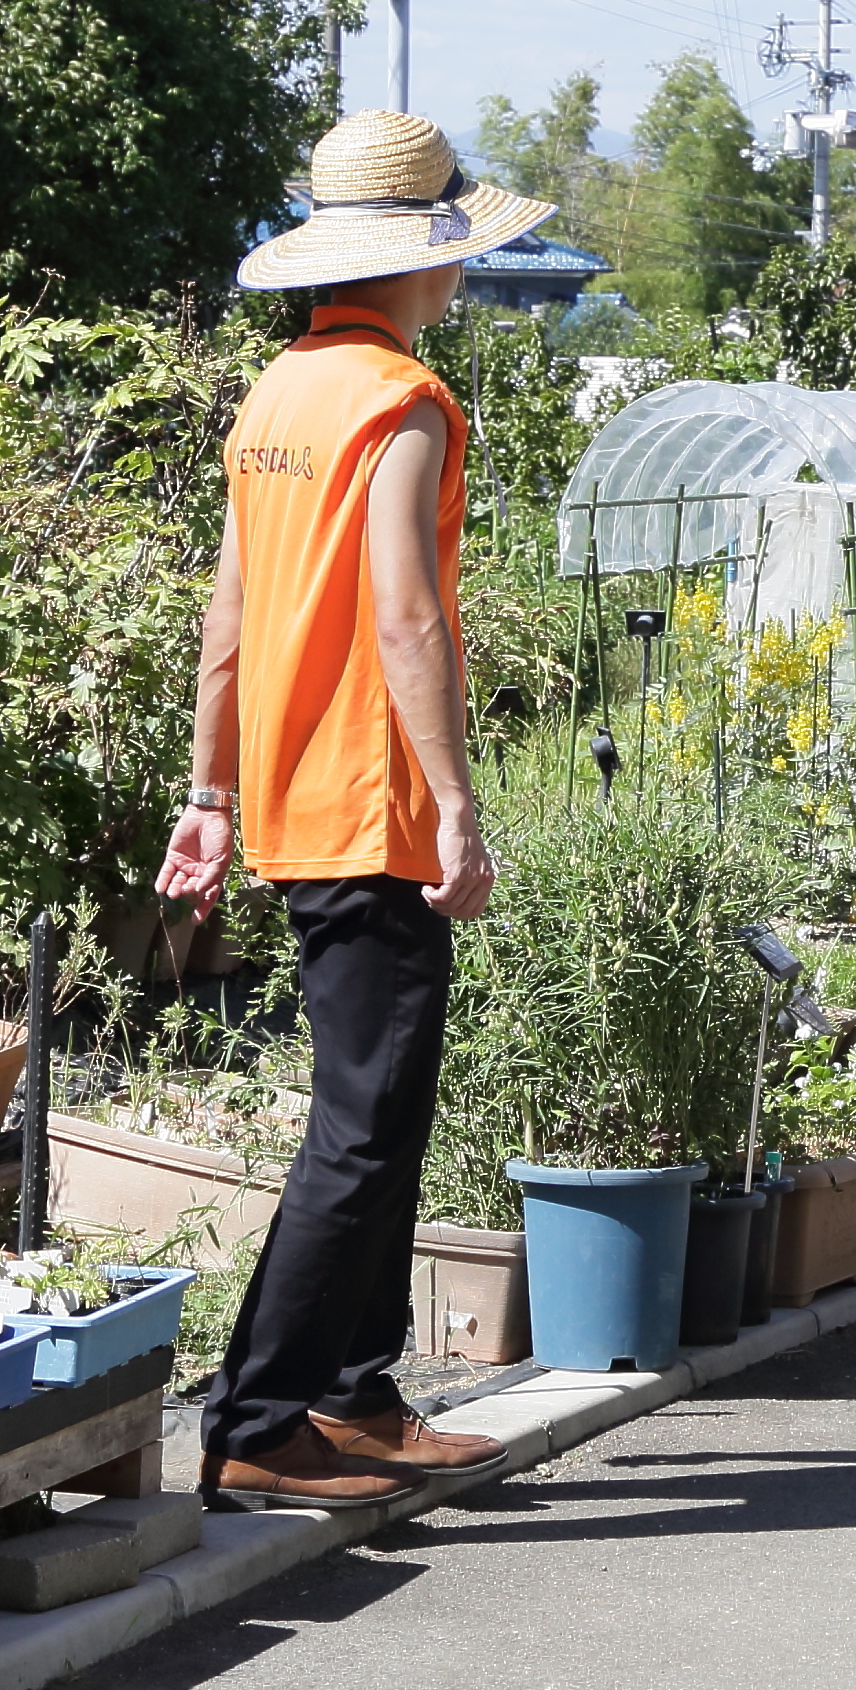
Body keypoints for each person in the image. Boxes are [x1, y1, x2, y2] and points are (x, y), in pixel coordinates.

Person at [157, 110, 554, 1507]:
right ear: (425, 262)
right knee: (365, 1117)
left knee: (381, 1102)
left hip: (286, 792)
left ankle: (352, 1391)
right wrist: (457, 803)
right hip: (370, 799)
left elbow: (227, 615)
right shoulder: (402, 404)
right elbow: (405, 614)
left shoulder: (275, 396)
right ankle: (260, 1420)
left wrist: (208, 791)